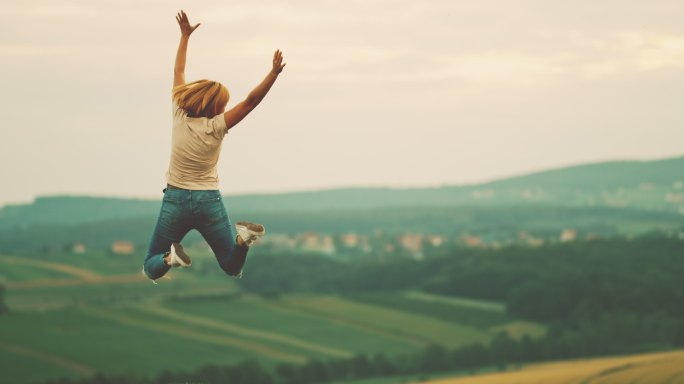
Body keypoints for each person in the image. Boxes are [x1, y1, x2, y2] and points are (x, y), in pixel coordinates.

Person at [142, 10, 285, 283]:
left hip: (176, 201)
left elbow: (178, 71)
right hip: (208, 201)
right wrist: (273, 73)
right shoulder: (218, 125)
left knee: (151, 266)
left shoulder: (179, 113)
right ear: (217, 107)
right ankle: (244, 239)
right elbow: (250, 102)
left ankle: (171, 259)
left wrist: (184, 37)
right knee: (232, 265)